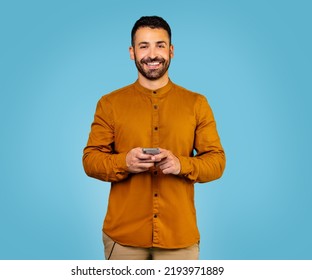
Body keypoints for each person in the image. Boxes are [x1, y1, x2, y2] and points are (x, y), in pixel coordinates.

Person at [83, 16, 225, 260]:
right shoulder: (109, 104)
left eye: (160, 45)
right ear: (132, 52)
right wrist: (123, 163)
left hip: (179, 239)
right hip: (124, 239)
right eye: (144, 46)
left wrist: (182, 164)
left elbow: (217, 162)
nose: (152, 54)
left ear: (171, 51)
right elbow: (90, 160)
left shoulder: (196, 104)